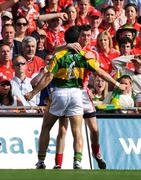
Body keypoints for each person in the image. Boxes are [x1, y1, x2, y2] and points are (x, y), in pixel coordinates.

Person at [24, 25, 126, 169]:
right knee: (77, 130)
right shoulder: (85, 56)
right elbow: (101, 73)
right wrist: (116, 83)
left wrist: (33, 93)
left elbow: (48, 77)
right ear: (77, 39)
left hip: (60, 93)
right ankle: (77, 161)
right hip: (77, 93)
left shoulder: (59, 56)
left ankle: (41, 161)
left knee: (47, 127)